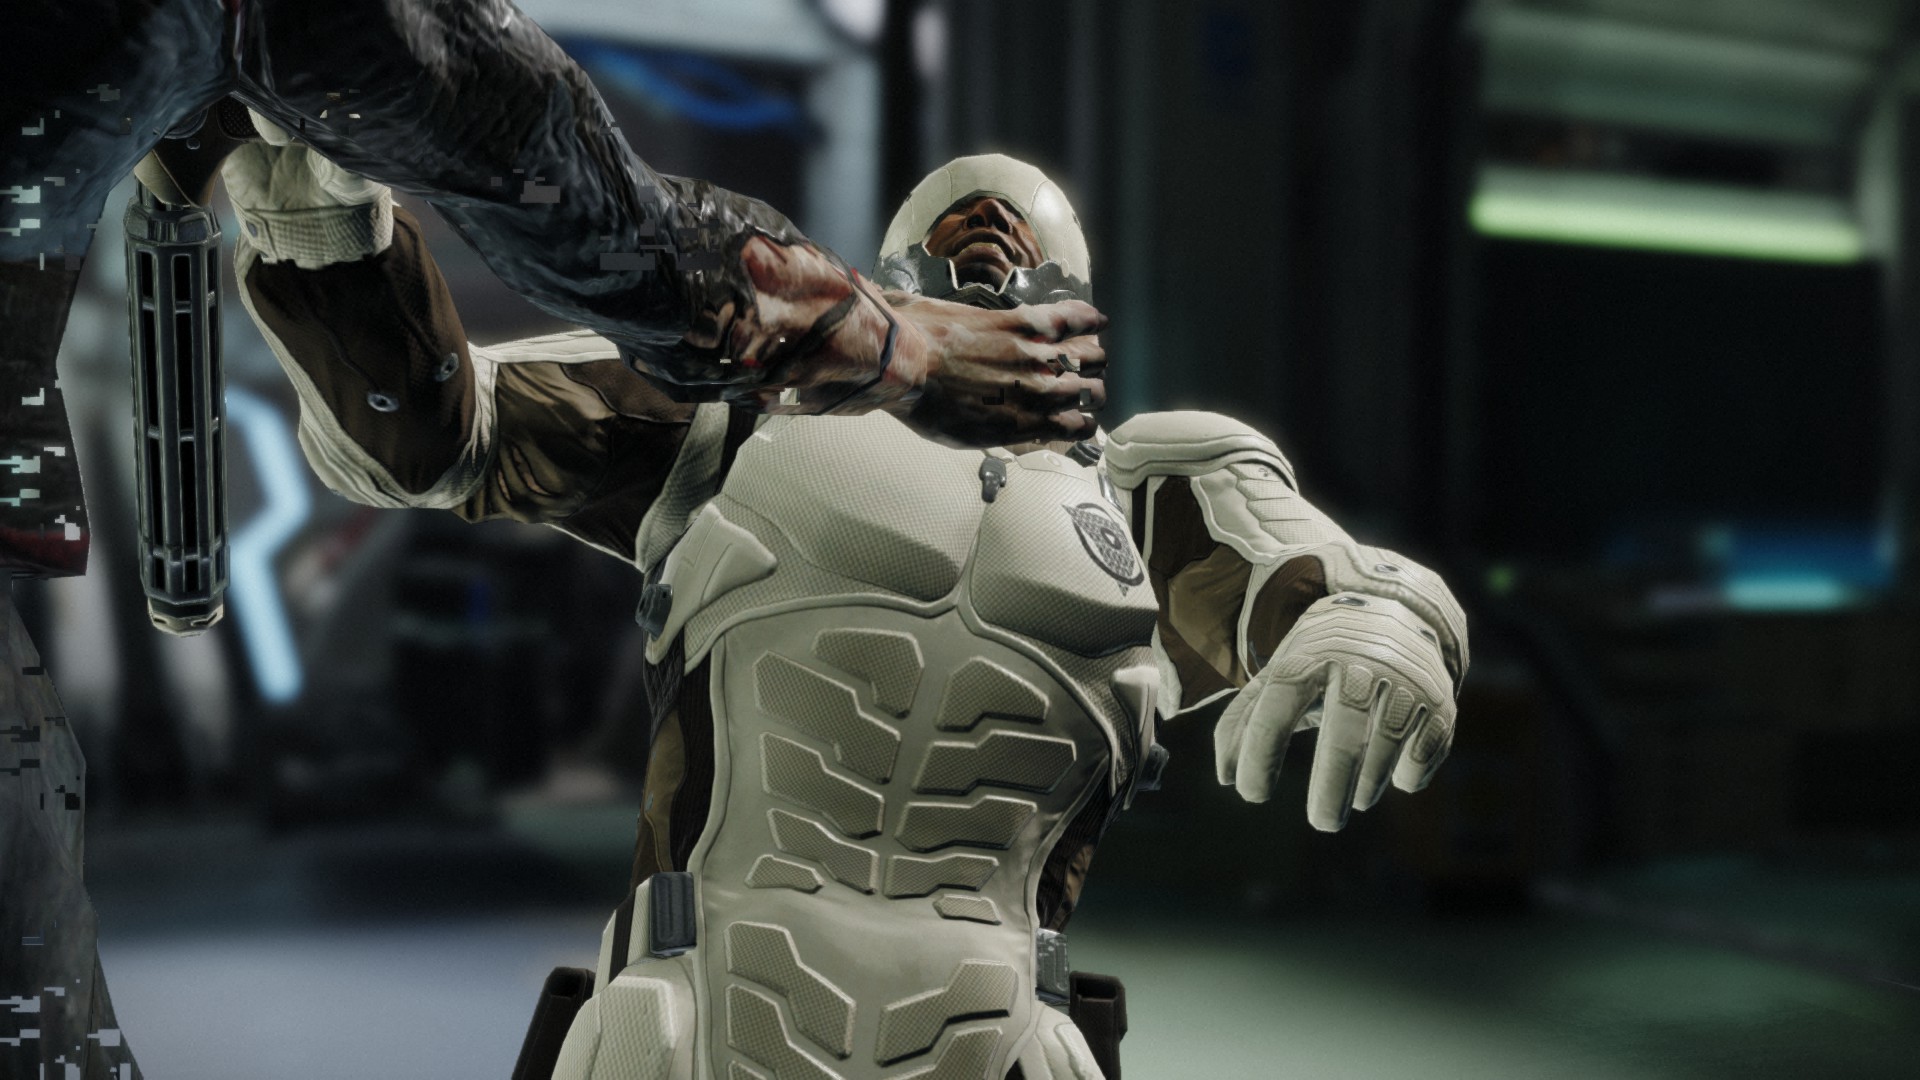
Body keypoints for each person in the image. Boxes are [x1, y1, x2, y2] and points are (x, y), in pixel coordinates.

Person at [224, 134, 1469, 1079]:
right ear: (896, 285)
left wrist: (1388, 628)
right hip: (699, 1007)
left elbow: (1341, 585)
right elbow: (440, 434)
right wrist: (327, 241)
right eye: (966, 264)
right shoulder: (742, 421)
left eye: (1022, 271)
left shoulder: (1151, 495)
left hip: (1002, 1027)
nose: (996, 278)